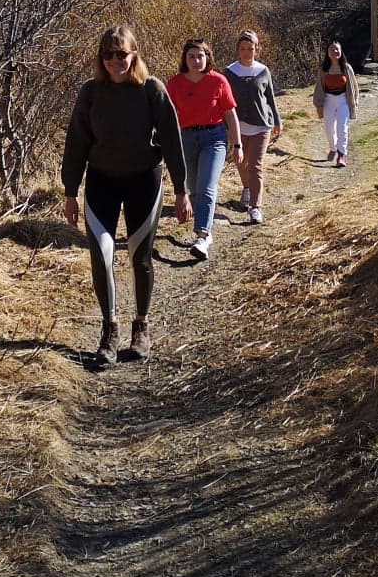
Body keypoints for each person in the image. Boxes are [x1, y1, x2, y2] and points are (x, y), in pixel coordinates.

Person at [61, 25, 188, 364]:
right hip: (101, 181)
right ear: (100, 59)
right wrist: (70, 191)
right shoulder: (90, 92)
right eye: (108, 54)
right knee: (101, 255)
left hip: (144, 182)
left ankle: (141, 327)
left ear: (135, 55)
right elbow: (76, 143)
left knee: (139, 256)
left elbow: (173, 142)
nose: (115, 60)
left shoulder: (152, 90)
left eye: (122, 54)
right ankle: (109, 331)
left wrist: (182, 190)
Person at [168, 38, 242, 259]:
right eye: (191, 56)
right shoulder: (174, 84)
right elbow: (168, 117)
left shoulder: (218, 81)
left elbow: (231, 114)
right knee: (194, 188)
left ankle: (202, 236)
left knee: (208, 186)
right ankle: (202, 224)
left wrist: (237, 145)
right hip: (186, 138)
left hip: (214, 137)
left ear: (207, 57)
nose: (196, 60)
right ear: (185, 59)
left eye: (200, 56)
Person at [223, 29, 282, 224]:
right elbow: (224, 101)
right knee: (240, 162)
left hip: (261, 125)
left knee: (256, 166)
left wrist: (277, 121)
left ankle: (255, 207)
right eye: (243, 48)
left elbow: (270, 98)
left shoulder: (263, 71)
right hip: (238, 126)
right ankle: (246, 188)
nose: (247, 52)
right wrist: (225, 126)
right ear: (238, 50)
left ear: (256, 49)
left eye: (251, 48)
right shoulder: (230, 72)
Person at [312, 39, 360, 168]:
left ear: (341, 51)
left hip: (343, 100)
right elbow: (319, 88)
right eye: (332, 49)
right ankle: (333, 148)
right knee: (329, 128)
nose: (335, 51)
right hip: (328, 100)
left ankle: (341, 154)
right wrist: (319, 105)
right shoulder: (323, 69)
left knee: (342, 128)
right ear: (328, 53)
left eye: (337, 49)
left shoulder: (346, 68)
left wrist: (354, 101)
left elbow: (354, 86)